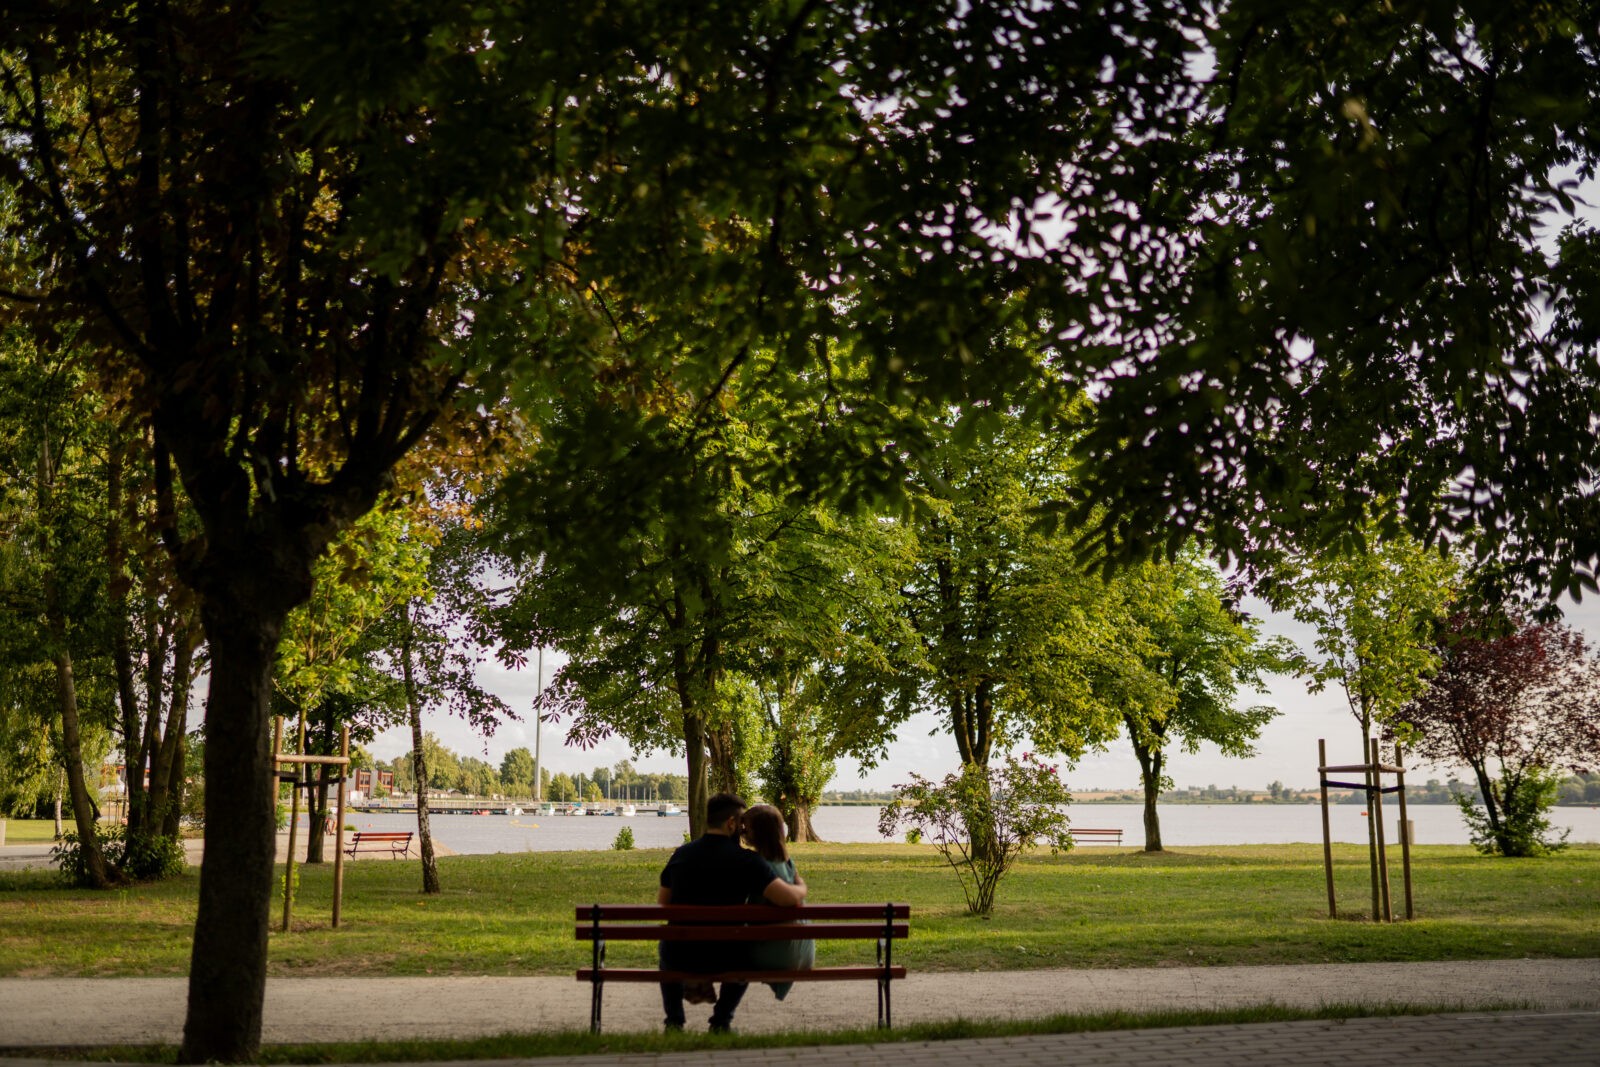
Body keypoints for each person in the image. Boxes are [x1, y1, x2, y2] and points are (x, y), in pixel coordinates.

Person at [657, 792, 806, 1032]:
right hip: (726, 956)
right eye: (741, 823)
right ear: (731, 823)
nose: (743, 829)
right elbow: (786, 898)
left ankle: (674, 1021)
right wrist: (801, 887)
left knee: (668, 945)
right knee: (744, 954)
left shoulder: (681, 854)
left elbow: (663, 904)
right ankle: (721, 1021)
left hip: (681, 955)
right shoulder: (748, 861)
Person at [741, 803, 815, 1000]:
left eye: (745, 828)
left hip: (778, 955)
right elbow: (799, 888)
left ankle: (722, 1015)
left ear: (755, 832)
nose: (742, 832)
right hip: (805, 954)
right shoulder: (788, 862)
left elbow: (783, 900)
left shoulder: (757, 866)